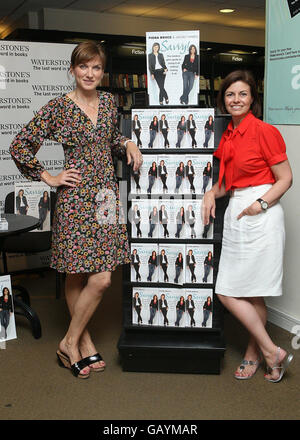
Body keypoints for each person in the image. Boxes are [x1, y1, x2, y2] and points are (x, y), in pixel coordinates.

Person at [10, 41, 143, 380]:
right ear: (72, 70)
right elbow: (20, 145)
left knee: (101, 277)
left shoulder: (110, 102)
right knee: (78, 274)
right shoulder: (59, 107)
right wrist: (49, 177)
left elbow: (110, 139)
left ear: (102, 72)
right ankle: (82, 341)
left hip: (106, 199)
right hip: (76, 197)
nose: (89, 73)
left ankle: (69, 340)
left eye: (96, 67)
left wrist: (126, 142)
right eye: (83, 67)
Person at [202, 70, 293, 382]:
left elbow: (286, 178)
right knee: (237, 291)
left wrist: (261, 204)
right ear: (223, 99)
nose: (236, 100)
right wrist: (210, 192)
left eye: (242, 94)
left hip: (261, 211)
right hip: (238, 210)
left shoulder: (264, 131)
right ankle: (272, 353)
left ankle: (259, 353)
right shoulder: (229, 134)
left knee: (249, 292)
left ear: (253, 98)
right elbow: (228, 183)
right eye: (230, 94)